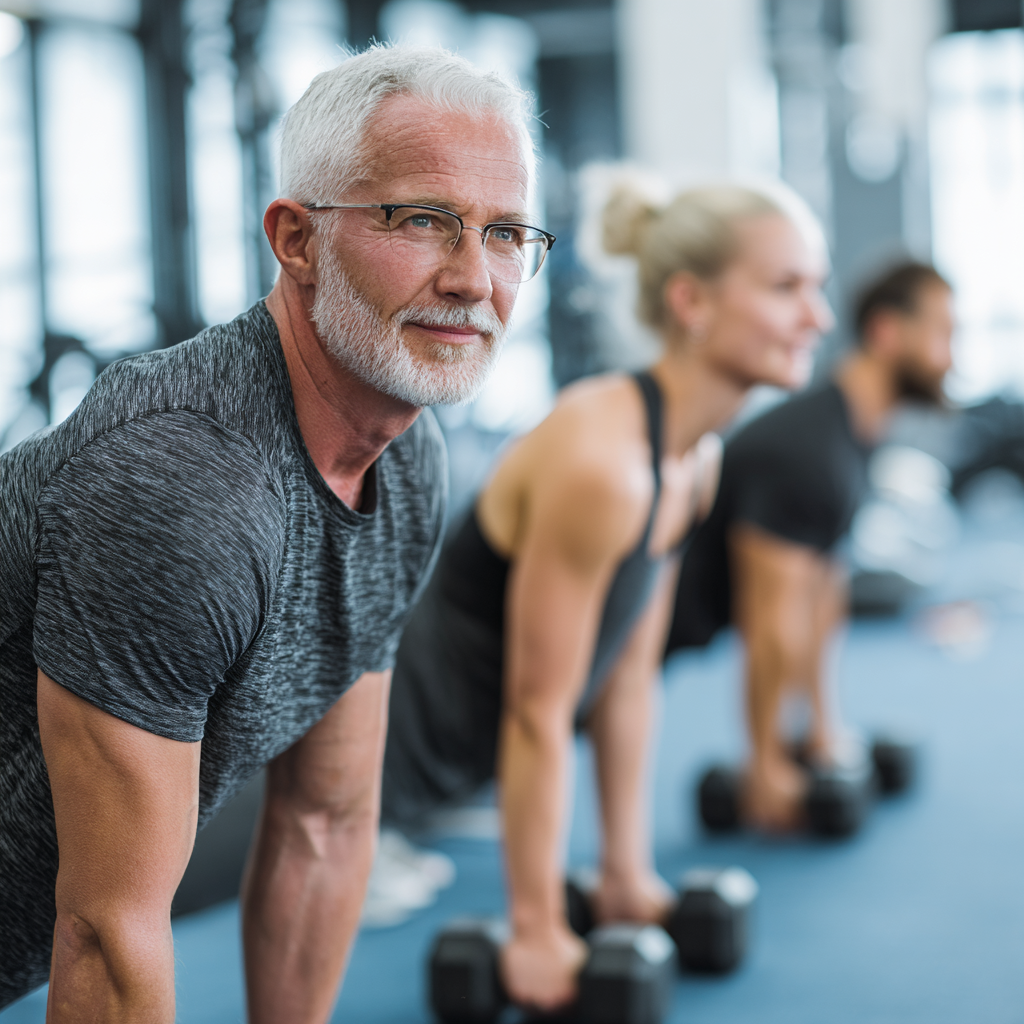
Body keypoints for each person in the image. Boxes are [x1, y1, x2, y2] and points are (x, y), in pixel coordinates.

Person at [0, 44, 552, 1020]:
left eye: (506, 232)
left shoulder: (406, 459)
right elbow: (106, 931)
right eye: (421, 219)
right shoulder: (183, 485)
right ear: (297, 238)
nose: (475, 277)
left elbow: (326, 823)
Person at [380, 179, 832, 1010]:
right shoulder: (603, 461)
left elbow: (626, 675)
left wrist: (625, 875)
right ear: (690, 301)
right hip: (384, 764)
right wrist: (536, 925)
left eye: (816, 287)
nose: (819, 316)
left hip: (460, 767)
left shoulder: (692, 459)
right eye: (787, 288)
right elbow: (537, 713)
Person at [665, 261, 955, 831]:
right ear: (887, 332)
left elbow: (823, 593)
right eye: (942, 333)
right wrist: (766, 766)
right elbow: (769, 621)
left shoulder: (854, 432)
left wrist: (825, 733)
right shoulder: (811, 450)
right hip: (627, 638)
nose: (951, 355)